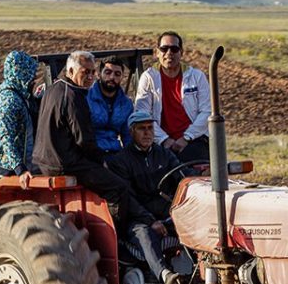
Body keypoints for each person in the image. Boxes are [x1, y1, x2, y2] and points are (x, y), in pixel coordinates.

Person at [33, 50, 129, 223]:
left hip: (45, 158)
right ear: (70, 71)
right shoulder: (74, 96)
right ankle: (117, 232)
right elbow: (84, 140)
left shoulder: (53, 89)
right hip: (64, 163)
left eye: (93, 72)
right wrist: (102, 162)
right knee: (119, 186)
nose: (91, 77)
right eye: (85, 72)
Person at [108, 111, 187, 284]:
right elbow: (129, 199)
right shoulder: (120, 161)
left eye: (150, 128)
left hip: (166, 213)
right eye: (142, 129)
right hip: (138, 218)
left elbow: (181, 176)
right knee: (144, 233)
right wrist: (151, 221)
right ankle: (165, 275)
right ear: (131, 132)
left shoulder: (164, 154)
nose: (147, 133)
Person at [134, 31, 210, 164]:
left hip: (193, 140)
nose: (169, 53)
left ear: (181, 52)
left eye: (174, 49)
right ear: (157, 52)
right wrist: (164, 139)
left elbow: (207, 112)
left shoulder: (197, 76)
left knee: (199, 176)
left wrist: (186, 138)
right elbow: (142, 114)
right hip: (160, 142)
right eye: (164, 49)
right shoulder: (149, 77)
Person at [0, 51, 39, 188]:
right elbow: (6, 137)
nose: (34, 79)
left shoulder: (18, 91)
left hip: (19, 154)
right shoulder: (8, 100)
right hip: (5, 163)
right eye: (31, 74)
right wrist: (21, 170)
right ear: (21, 73)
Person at [86, 58, 133, 155]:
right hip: (91, 153)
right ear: (99, 74)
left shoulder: (126, 104)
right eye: (108, 72)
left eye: (117, 74)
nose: (112, 77)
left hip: (115, 152)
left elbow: (127, 136)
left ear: (122, 77)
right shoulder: (86, 98)